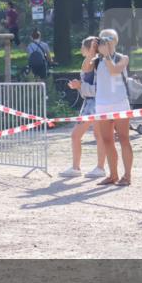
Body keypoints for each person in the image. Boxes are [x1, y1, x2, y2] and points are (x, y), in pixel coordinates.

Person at [61, 36, 106, 178]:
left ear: (89, 48)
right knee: (93, 135)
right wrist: (79, 86)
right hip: (90, 103)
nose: (80, 49)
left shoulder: (98, 63)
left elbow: (99, 89)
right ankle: (81, 167)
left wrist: (80, 86)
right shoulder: (91, 62)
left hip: (95, 104)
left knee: (80, 135)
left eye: (82, 46)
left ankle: (95, 167)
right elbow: (86, 71)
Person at [93, 29, 133, 187]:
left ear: (115, 41)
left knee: (124, 139)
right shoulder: (97, 60)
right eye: (102, 39)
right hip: (102, 105)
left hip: (120, 103)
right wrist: (92, 51)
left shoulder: (123, 58)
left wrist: (107, 55)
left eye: (107, 39)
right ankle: (113, 175)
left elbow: (114, 71)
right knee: (107, 140)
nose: (104, 42)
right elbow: (85, 70)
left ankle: (127, 176)